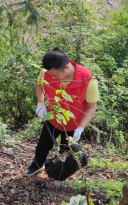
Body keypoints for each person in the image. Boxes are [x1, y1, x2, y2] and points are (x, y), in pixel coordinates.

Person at [24, 48, 99, 177]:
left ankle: (58, 171)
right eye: (50, 74)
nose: (52, 77)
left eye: (55, 75)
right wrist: (40, 103)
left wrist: (81, 128)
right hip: (53, 117)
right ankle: (36, 165)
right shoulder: (47, 72)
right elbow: (39, 84)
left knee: (66, 151)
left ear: (67, 67)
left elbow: (92, 107)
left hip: (73, 124)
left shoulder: (88, 80)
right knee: (43, 144)